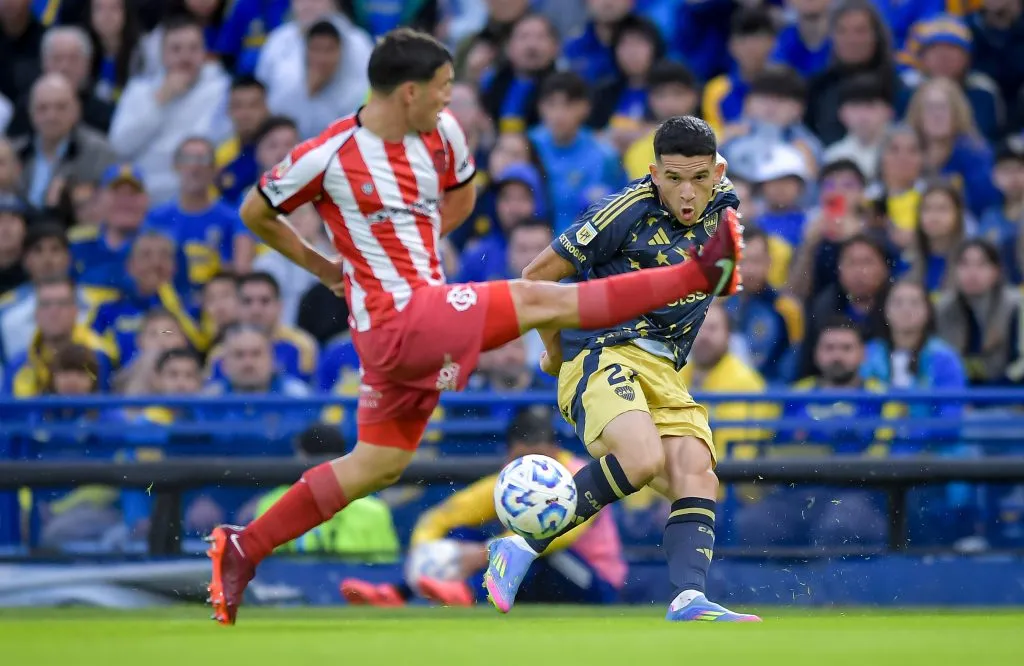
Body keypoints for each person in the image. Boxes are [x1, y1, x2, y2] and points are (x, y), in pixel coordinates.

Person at [205, 28, 743, 626]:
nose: (450, 96)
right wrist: (327, 267)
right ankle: (694, 272)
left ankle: (244, 547)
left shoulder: (444, 134)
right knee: (539, 298)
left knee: (376, 464)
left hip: (420, 321)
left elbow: (460, 199)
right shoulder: (327, 154)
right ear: (409, 92)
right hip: (398, 317)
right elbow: (256, 211)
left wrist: (417, 239)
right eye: (442, 86)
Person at [483, 115, 758, 622]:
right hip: (601, 349)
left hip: (664, 367)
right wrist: (554, 351)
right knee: (641, 457)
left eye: (700, 178)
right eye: (673, 179)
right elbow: (534, 277)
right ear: (654, 174)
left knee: (697, 474)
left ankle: (689, 598)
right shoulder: (624, 210)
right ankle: (519, 544)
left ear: (718, 173)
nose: (688, 193)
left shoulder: (727, 210)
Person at [340, 407, 626, 607]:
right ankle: (399, 592)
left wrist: (481, 554)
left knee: (537, 551)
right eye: (521, 460)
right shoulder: (512, 479)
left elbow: (556, 537)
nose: (530, 473)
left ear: (554, 451)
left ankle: (466, 593)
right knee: (461, 535)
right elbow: (441, 517)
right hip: (540, 579)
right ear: (508, 456)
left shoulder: (577, 477)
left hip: (593, 583)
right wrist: (423, 552)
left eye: (539, 459)